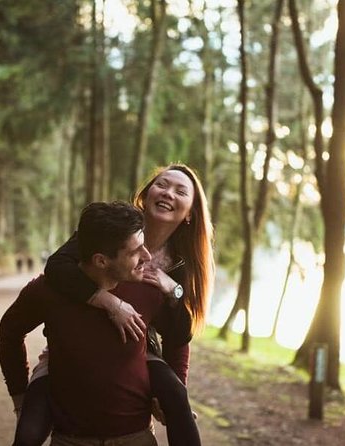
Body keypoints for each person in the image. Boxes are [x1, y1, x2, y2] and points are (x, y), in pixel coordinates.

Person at [20, 164, 215, 446]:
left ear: (190, 214)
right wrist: (111, 302)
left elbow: (179, 337)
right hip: (76, 340)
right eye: (162, 185)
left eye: (180, 191)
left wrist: (173, 290)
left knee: (176, 396)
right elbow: (58, 265)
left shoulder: (179, 263)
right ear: (145, 195)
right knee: (30, 430)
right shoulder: (112, 228)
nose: (168, 193)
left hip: (135, 347)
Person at [0, 201, 164, 445]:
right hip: (71, 440)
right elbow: (9, 332)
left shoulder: (148, 288)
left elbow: (180, 336)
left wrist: (167, 391)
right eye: (134, 251)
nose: (148, 257)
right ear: (101, 261)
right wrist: (20, 397)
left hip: (136, 437)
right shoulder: (47, 290)